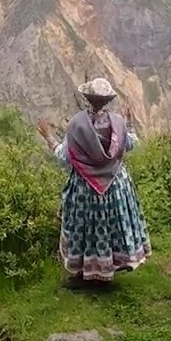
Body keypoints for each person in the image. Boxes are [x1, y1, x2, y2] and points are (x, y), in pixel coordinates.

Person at [36, 78, 151, 291]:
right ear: (107, 100)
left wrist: (49, 138)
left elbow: (64, 156)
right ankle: (107, 270)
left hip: (85, 187)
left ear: (87, 99)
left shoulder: (77, 124)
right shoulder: (118, 123)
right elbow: (131, 143)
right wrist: (130, 122)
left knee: (86, 229)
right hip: (115, 184)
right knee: (109, 228)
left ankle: (86, 274)